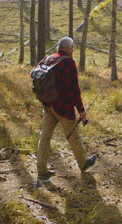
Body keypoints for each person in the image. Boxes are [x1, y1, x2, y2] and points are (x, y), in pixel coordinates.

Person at [37, 37, 96, 179]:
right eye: (72, 47)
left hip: (48, 105)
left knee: (44, 138)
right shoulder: (68, 63)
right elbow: (74, 89)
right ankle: (83, 163)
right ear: (67, 48)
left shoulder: (48, 58)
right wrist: (81, 110)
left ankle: (41, 170)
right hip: (63, 107)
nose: (73, 50)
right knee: (73, 136)